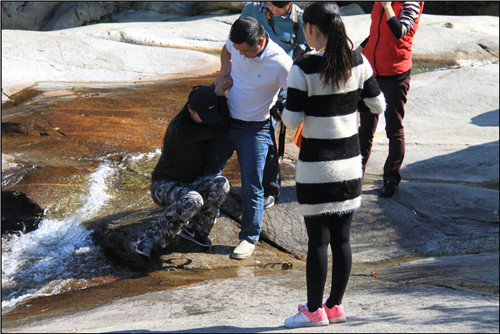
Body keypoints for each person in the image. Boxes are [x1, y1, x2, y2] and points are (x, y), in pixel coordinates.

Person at [281, 2, 385, 328]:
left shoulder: (303, 68)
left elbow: (291, 119)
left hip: (315, 169)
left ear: (311, 29)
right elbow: (377, 104)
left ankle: (313, 312)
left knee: (318, 242)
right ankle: (335, 306)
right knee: (342, 240)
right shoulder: (358, 60)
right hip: (350, 165)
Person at [210, 17, 293, 260]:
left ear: (261, 41)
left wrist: (284, 108)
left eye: (245, 51)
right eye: (238, 51)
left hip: (254, 128)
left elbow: (296, 94)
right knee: (207, 169)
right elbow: (226, 49)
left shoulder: (281, 63)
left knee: (252, 184)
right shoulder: (237, 44)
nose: (241, 55)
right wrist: (225, 71)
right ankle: (197, 222)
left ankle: (248, 238)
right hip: (225, 117)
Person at [135, 83, 232, 258]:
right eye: (203, 116)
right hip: (163, 185)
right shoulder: (181, 130)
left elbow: (203, 96)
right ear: (189, 109)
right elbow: (222, 125)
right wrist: (221, 96)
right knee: (193, 199)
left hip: (191, 182)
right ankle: (149, 237)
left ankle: (195, 231)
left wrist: (218, 89)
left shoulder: (196, 113)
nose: (208, 119)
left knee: (221, 184)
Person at [239, 1, 307, 209]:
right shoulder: (252, 9)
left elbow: (303, 51)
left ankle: (270, 190)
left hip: (279, 84)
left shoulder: (299, 18)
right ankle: (253, 186)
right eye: (272, 6)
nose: (276, 11)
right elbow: (237, 37)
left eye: (282, 8)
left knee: (268, 136)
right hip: (250, 79)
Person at [357, 1, 424, 198]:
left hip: (396, 74)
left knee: (393, 128)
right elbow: (376, 34)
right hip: (373, 72)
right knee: (365, 129)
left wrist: (387, 7)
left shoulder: (410, 3)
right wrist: (357, 50)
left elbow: (399, 30)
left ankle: (391, 178)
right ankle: (356, 175)